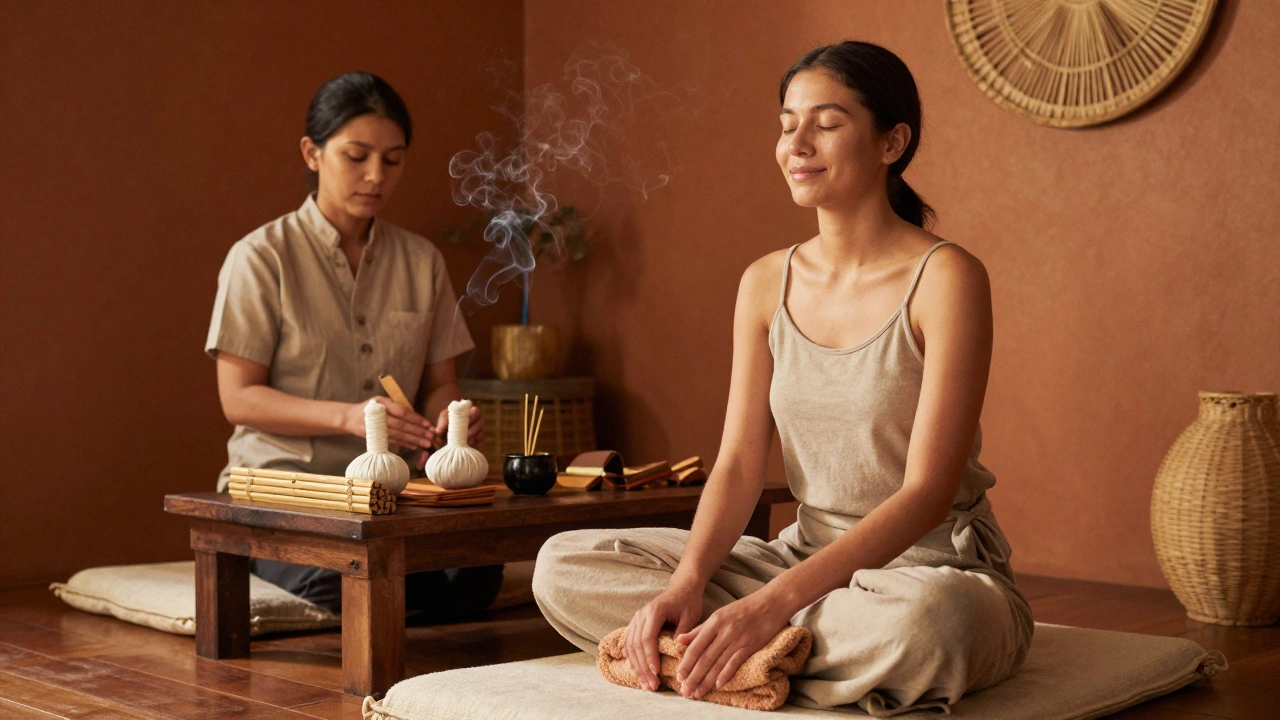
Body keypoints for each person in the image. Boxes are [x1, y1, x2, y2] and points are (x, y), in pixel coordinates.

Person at [531, 41, 1034, 714]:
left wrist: (767, 606)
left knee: (931, 628)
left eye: (825, 123)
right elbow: (739, 464)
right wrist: (689, 581)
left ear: (892, 142)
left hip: (929, 572)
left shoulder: (946, 278)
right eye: (787, 122)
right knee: (561, 566)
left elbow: (926, 492)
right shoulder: (766, 282)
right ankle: (755, 653)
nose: (796, 142)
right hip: (803, 564)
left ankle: (732, 651)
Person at [206, 71, 502, 619]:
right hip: (287, 490)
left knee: (476, 576)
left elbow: (440, 384)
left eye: (392, 160)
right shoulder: (260, 258)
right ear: (312, 154)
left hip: (391, 497)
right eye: (357, 155)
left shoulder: (421, 262)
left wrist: (451, 423)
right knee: (337, 582)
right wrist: (351, 418)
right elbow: (239, 398)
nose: (375, 176)